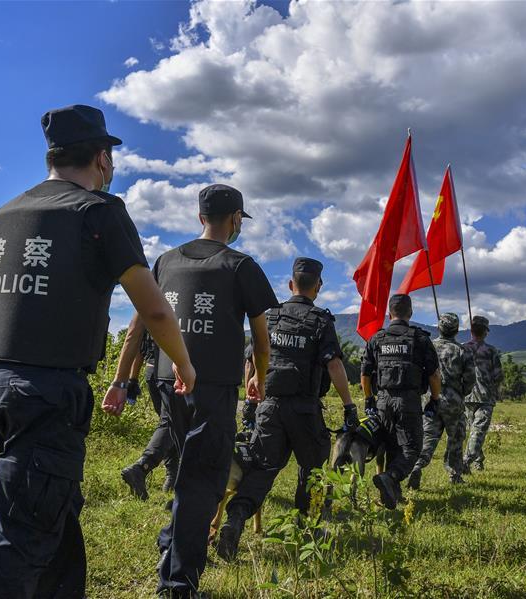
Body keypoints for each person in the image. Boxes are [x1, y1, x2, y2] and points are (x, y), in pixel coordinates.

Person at [0, 104, 195, 598]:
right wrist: (183, 363)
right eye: (110, 159)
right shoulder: (100, 212)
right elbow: (154, 309)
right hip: (48, 392)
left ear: (51, 156)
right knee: (20, 543)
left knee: (53, 517)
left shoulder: (3, 214)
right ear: (101, 158)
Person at [107, 184, 278, 597]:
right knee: (204, 481)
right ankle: (178, 584)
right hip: (213, 387)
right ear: (235, 219)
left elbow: (136, 328)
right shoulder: (240, 265)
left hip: (167, 382)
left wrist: (121, 380)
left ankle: (171, 543)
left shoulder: (166, 261)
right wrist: (259, 377)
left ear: (200, 217)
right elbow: (261, 339)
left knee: (188, 471)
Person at [215, 258, 359, 562]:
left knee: (261, 469)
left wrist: (251, 400)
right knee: (313, 470)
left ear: (290, 284)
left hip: (269, 407)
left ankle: (235, 520)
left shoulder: (271, 317)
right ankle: (306, 532)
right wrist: (349, 406)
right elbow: (334, 364)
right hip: (305, 410)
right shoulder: (321, 320)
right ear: (318, 286)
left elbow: (251, 360)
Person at [360, 293, 440, 509]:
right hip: (408, 401)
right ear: (410, 313)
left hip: (383, 401)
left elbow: (365, 373)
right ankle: (391, 476)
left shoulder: (377, 339)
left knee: (391, 445)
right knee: (412, 448)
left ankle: (392, 495)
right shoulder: (420, 339)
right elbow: (434, 375)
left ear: (389, 314)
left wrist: (368, 399)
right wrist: (434, 399)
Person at [407, 313, 475, 488]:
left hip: (430, 400)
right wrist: (461, 393)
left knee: (428, 437)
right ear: (457, 330)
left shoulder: (428, 347)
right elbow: (470, 379)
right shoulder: (462, 351)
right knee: (456, 439)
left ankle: (417, 466)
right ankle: (454, 475)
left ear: (439, 328)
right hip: (454, 403)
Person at [117, 330, 179, 499]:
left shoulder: (150, 315)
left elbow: (138, 346)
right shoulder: (177, 315)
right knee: (171, 423)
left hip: (151, 372)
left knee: (169, 424)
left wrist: (133, 379)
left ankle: (172, 477)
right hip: (171, 373)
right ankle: (142, 467)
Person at [462, 315, 504, 472]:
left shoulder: (461, 348)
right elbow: (498, 375)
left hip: (465, 396)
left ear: (471, 331)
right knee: (478, 431)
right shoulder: (491, 351)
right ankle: (466, 462)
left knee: (474, 430)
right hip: (485, 397)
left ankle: (478, 461)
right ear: (485, 332)